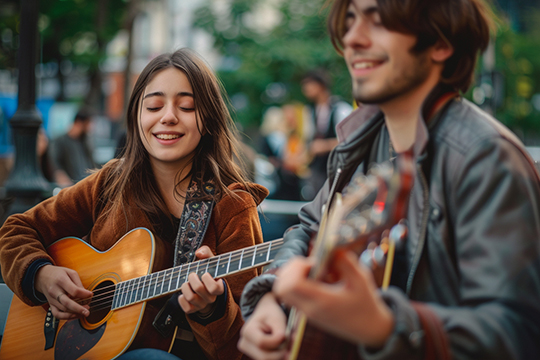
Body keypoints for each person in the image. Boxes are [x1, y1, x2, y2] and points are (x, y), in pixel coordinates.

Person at [238, 0, 540, 359]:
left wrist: (384, 326)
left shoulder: (486, 158)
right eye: (350, 21)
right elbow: (307, 228)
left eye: (377, 20)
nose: (352, 38)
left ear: (441, 44)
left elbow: (516, 334)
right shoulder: (360, 140)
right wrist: (273, 297)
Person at [0, 48, 268, 360]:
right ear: (137, 117)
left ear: (208, 120)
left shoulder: (233, 207)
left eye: (187, 106)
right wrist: (41, 275)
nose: (168, 116)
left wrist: (213, 309)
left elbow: (245, 347)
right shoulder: (111, 182)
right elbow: (16, 229)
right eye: (154, 105)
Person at [301, 69, 353, 199]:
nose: (305, 88)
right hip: (318, 170)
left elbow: (351, 139)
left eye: (308, 84)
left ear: (320, 85)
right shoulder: (310, 111)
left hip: (338, 168)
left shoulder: (341, 109)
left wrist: (324, 146)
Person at [50, 109, 96, 184]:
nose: (90, 127)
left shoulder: (85, 141)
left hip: (86, 184)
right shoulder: (60, 141)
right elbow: (55, 165)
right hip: (71, 187)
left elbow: (91, 164)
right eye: (88, 123)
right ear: (79, 123)